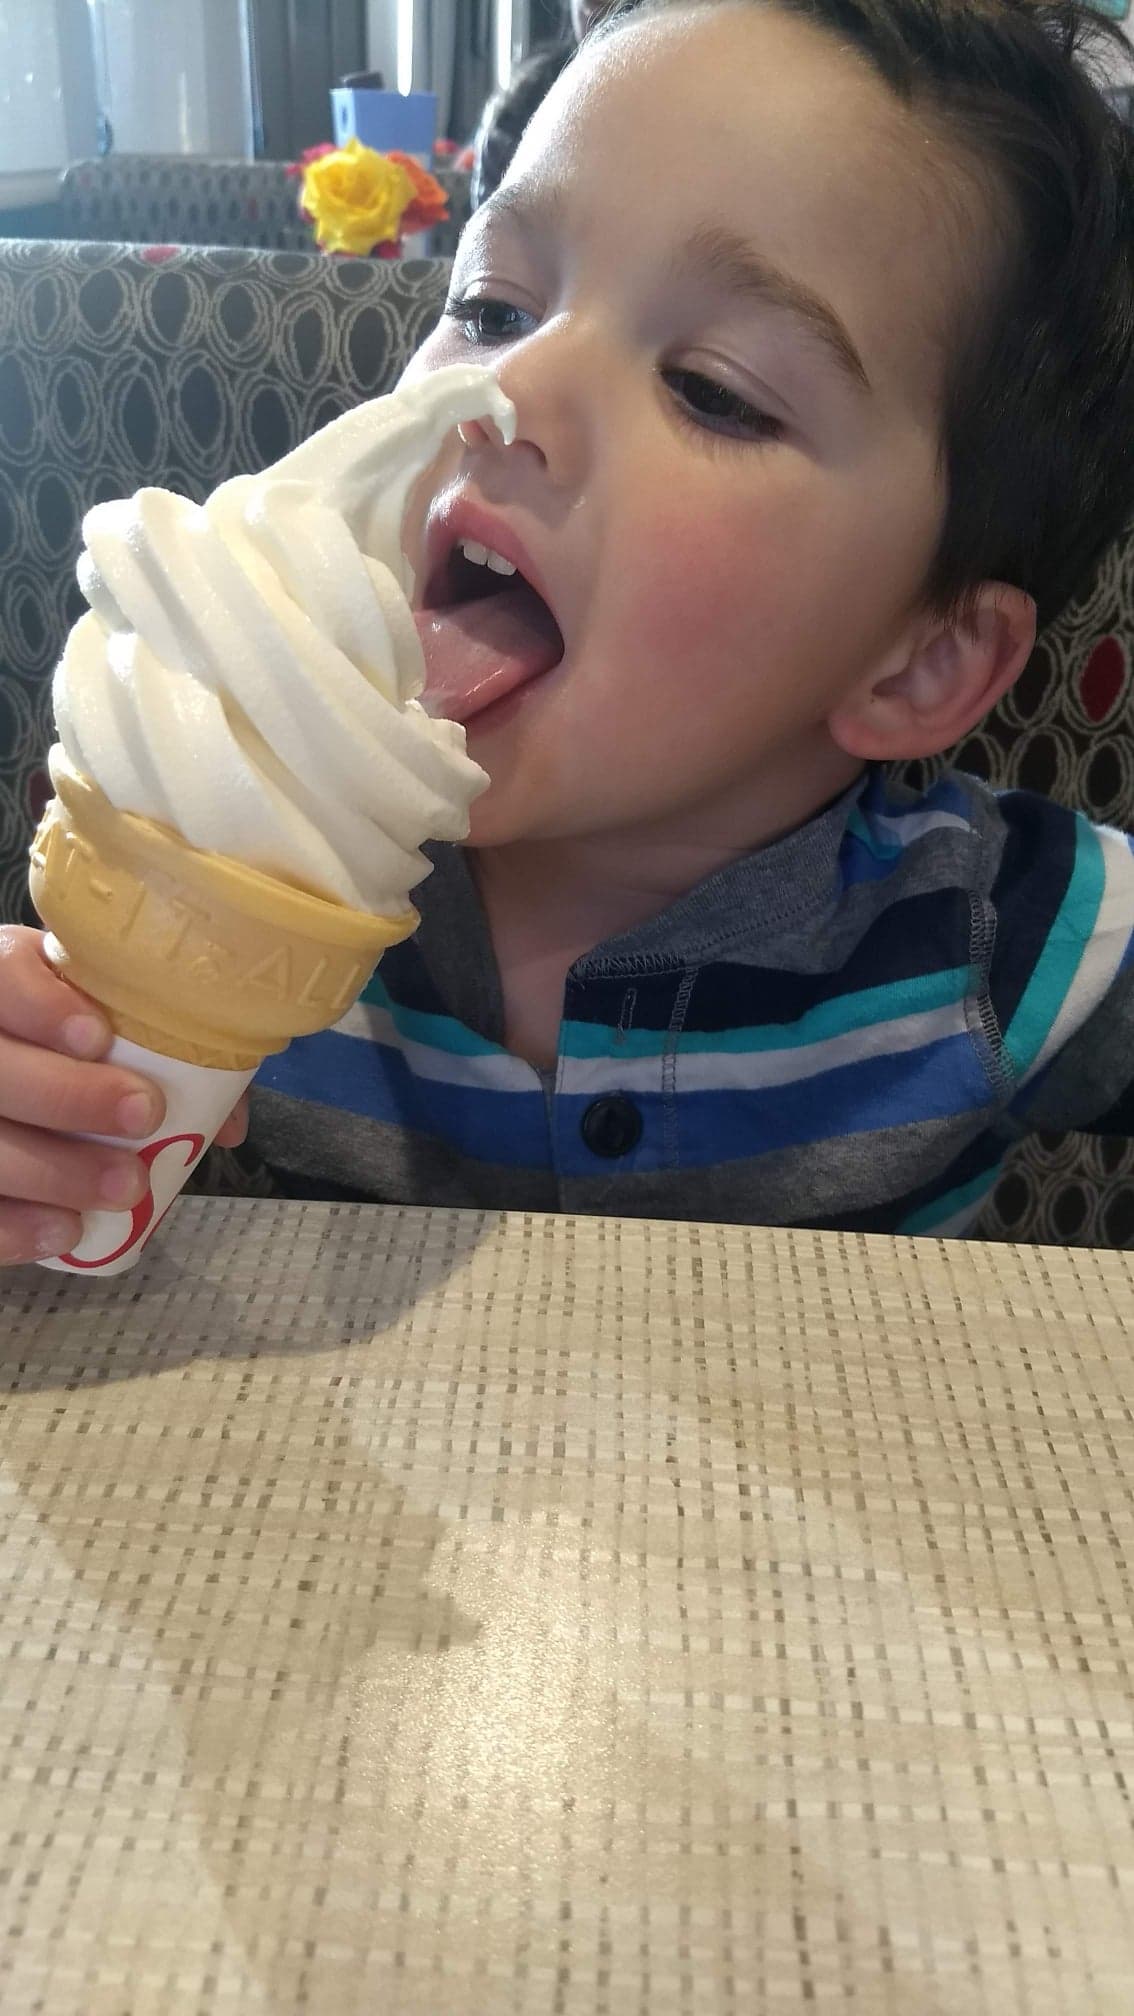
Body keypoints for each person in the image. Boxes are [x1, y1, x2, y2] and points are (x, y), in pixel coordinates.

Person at [3, 0, 1134, 1266]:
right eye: (492, 307)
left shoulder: (1000, 934)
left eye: (711, 390)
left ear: (922, 659)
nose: (509, 389)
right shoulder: (237, 832)